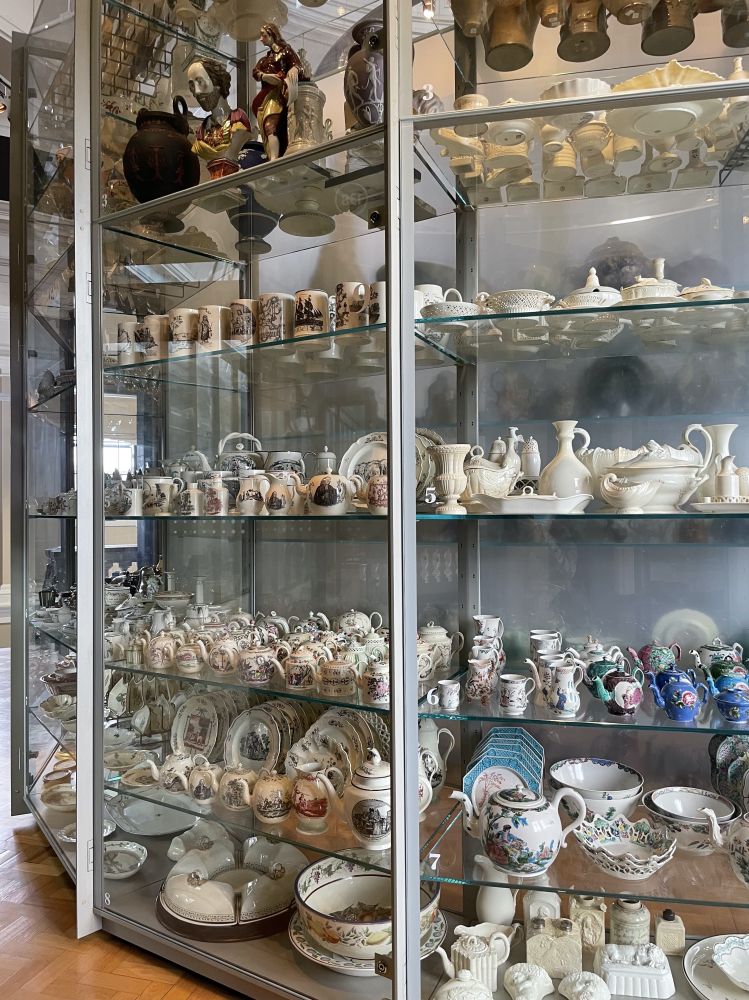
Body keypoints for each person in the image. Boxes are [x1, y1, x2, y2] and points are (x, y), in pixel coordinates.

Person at [251, 23, 307, 160]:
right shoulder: (264, 60)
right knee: (267, 127)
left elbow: (298, 65)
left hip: (278, 95)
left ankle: (274, 158)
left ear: (272, 35)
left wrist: (294, 69)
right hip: (266, 96)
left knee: (270, 125)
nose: (261, 39)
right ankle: (273, 157)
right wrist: (265, 76)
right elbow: (255, 72)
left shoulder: (286, 51)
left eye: (264, 35)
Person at [187, 57, 252, 163]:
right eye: (192, 87)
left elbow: (231, 153)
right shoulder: (202, 131)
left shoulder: (238, 119)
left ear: (216, 81)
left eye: (200, 82)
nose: (197, 92)